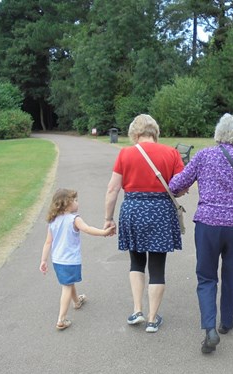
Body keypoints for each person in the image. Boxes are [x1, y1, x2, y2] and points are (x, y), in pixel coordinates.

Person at [169, 113, 233, 354]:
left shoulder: (204, 156)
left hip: (208, 225)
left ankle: (209, 329)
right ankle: (226, 321)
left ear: (218, 134)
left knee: (206, 277)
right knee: (231, 273)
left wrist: (181, 187)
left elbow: (176, 185)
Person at [104, 114, 184, 333]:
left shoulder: (125, 154)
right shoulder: (171, 153)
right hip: (160, 211)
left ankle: (137, 310)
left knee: (136, 262)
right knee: (157, 266)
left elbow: (113, 189)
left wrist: (108, 219)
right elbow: (181, 187)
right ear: (154, 132)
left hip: (133, 210)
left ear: (134, 133)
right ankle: (151, 319)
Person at [40, 188, 115, 331]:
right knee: (67, 287)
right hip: (70, 260)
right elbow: (87, 229)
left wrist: (43, 260)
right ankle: (61, 319)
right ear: (67, 204)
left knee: (68, 282)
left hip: (57, 260)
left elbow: (48, 242)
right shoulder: (74, 218)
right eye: (74, 200)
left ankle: (76, 301)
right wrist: (104, 232)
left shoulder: (53, 220)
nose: (77, 202)